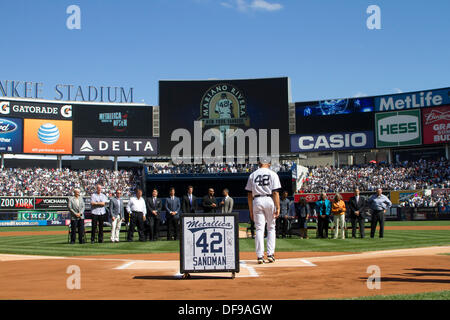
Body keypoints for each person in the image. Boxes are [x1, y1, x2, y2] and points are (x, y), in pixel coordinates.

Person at [245, 156, 281, 264]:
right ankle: (270, 254)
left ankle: (260, 256)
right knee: (271, 228)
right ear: (269, 163)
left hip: (257, 200)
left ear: (259, 163)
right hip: (269, 199)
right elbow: (275, 192)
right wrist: (278, 207)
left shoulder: (253, 174)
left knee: (259, 229)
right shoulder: (273, 174)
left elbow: (249, 194)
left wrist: (251, 210)